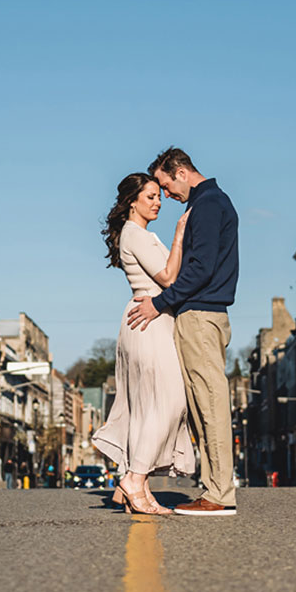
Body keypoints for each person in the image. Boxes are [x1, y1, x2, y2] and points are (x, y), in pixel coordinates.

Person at [127, 147, 239, 517]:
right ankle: (213, 489)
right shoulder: (212, 202)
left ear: (180, 172)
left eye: (164, 184)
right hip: (202, 315)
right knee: (200, 406)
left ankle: (219, 494)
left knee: (209, 405)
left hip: (201, 315)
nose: (168, 195)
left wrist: (160, 304)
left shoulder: (207, 205)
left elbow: (200, 269)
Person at [92, 172, 197, 515]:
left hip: (148, 316)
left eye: (159, 196)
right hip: (148, 318)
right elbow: (167, 278)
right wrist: (180, 235)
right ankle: (135, 479)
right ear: (132, 200)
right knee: (169, 400)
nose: (158, 202)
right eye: (151, 196)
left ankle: (139, 486)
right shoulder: (136, 234)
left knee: (148, 405)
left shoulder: (136, 234)